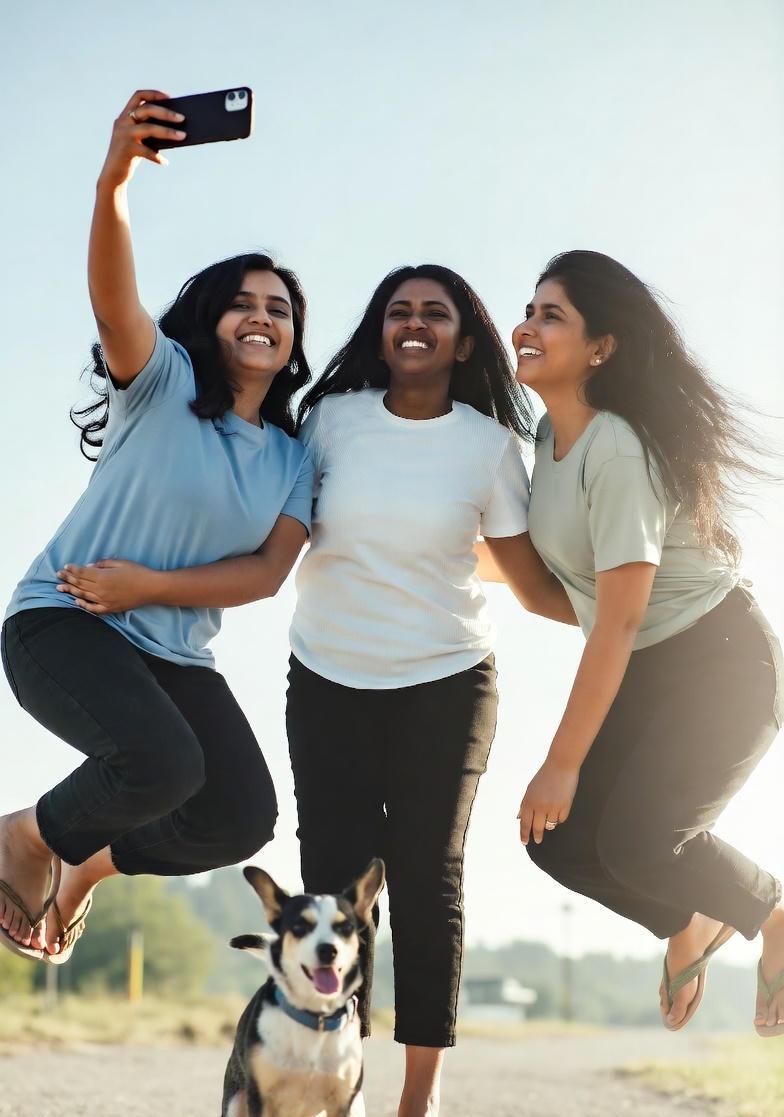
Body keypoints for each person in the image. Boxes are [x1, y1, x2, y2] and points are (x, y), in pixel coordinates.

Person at [55, 264, 576, 1116]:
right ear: (378, 330)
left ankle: (418, 1098)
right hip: (329, 677)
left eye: (434, 314)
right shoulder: (330, 422)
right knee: (330, 883)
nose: (414, 324)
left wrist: (628, 614)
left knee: (426, 876)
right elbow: (250, 517)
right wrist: (141, 568)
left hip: (447, 681)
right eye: (398, 311)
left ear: (465, 340)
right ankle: (343, 1082)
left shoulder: (487, 445)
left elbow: (526, 579)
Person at [0, 90, 314, 965]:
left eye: (280, 308)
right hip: (64, 621)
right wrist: (114, 183)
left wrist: (149, 587)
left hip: (169, 648)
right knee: (165, 763)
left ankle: (83, 866)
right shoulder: (162, 380)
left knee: (241, 813)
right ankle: (26, 837)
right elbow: (113, 302)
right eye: (243, 302)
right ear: (210, 321)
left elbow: (263, 574)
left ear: (292, 340)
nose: (262, 315)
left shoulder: (295, 456)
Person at [512, 249, 783, 1038]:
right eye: (528, 310)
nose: (526, 326)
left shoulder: (618, 448)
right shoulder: (545, 443)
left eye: (550, 314)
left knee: (639, 838)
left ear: (602, 346)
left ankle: (769, 913)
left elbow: (619, 620)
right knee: (558, 843)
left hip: (722, 661)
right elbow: (551, 593)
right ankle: (690, 923)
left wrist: (562, 760)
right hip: (652, 665)